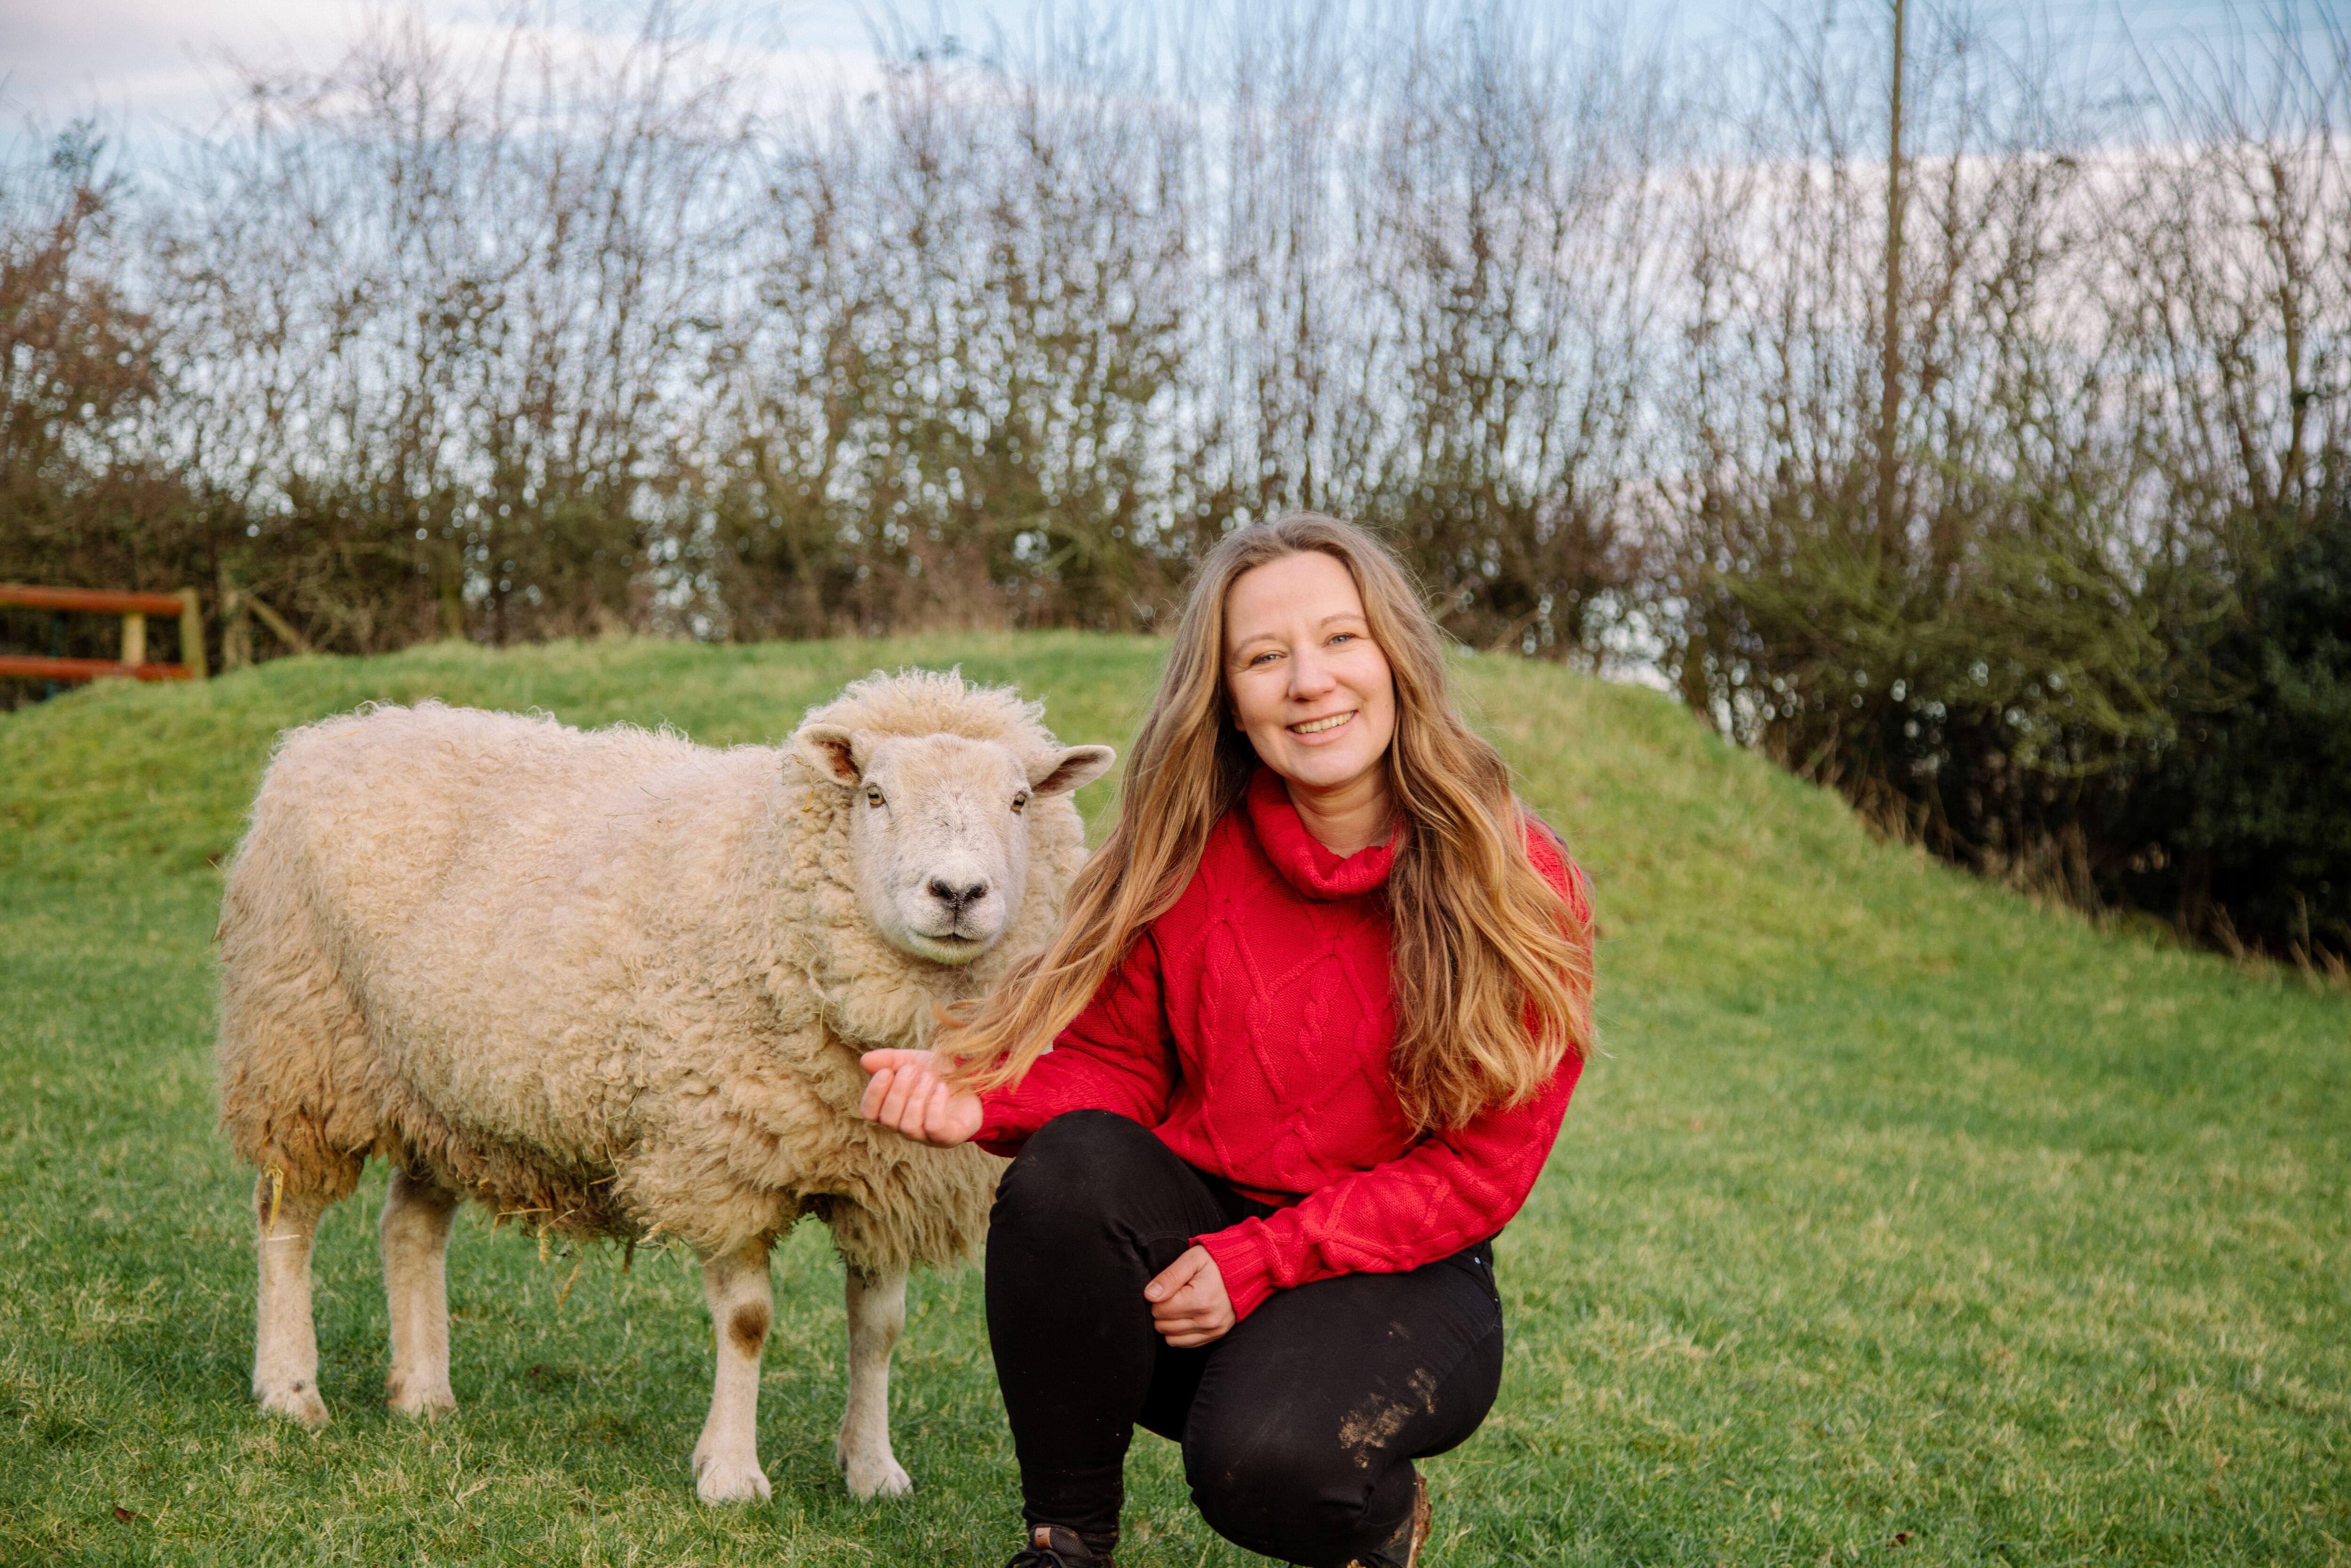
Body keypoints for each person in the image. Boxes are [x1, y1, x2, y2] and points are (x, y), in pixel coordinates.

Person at [858, 513, 1595, 1568]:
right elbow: (1122, 1067)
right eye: (1263, 657)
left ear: (1396, 657)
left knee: (1266, 1464)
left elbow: (1479, 1171)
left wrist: (1259, 1261)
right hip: (1199, 1224)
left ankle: (1374, 1513)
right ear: (1228, 697)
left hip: (1403, 1269)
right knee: (1067, 1175)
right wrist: (986, 1096)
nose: (1309, 682)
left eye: (1340, 639)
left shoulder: (1514, 880)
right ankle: (1065, 1547)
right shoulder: (1186, 849)